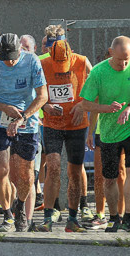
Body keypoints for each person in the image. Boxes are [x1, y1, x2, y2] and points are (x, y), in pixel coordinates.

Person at [78, 36, 130, 232]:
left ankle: (129, 216)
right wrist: (106, 108)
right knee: (110, 178)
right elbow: (85, 104)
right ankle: (114, 217)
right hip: (109, 132)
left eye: (127, 59)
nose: (124, 64)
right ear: (111, 52)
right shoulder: (98, 71)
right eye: (120, 59)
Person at [0, 33, 47, 232]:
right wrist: (4, 107)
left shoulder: (31, 60)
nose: (10, 61)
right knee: (1, 170)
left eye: (13, 57)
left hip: (27, 121)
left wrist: (22, 117)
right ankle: (7, 214)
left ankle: (21, 208)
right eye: (6, 57)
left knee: (24, 174)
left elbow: (43, 96)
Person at [38, 38, 92, 232]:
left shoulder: (82, 61)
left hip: (76, 124)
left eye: (64, 65)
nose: (61, 69)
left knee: (75, 173)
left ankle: (72, 218)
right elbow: (32, 92)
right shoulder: (42, 64)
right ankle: (47, 216)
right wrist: (45, 106)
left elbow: (95, 86)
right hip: (52, 123)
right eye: (57, 65)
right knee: (52, 167)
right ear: (50, 55)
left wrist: (83, 104)